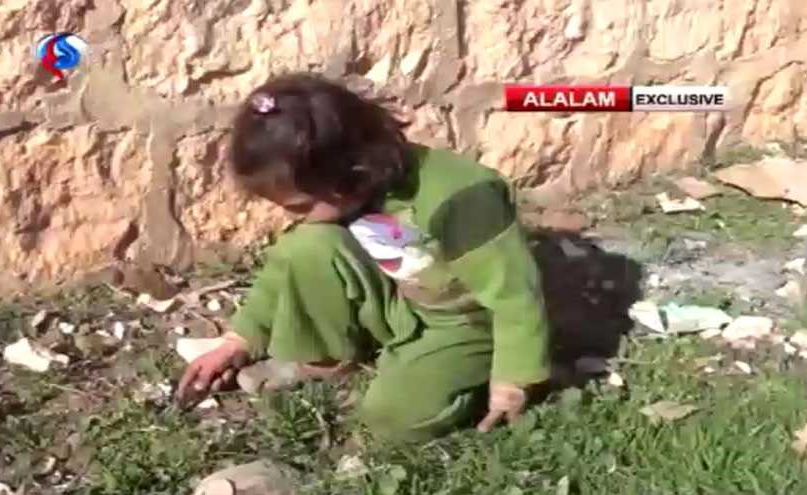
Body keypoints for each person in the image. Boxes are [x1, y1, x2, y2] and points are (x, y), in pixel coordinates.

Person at [175, 72, 551, 443]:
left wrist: (513, 378)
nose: (292, 216)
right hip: (406, 297)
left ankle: (460, 381)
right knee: (304, 247)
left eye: (300, 206)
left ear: (347, 174)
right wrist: (238, 341)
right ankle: (330, 360)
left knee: (391, 417)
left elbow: (515, 295)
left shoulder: (463, 199)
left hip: (468, 323)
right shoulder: (355, 191)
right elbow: (283, 272)